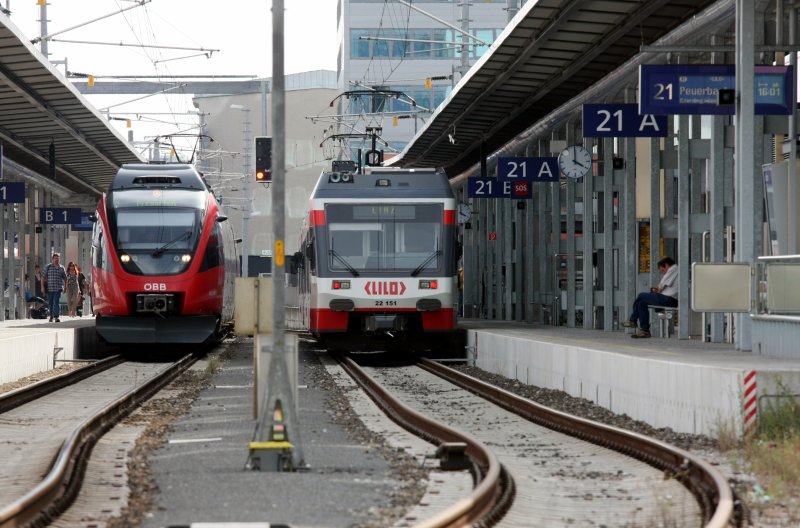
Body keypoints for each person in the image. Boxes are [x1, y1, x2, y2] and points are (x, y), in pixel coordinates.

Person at [623, 256, 678, 339]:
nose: (663, 273)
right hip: (666, 298)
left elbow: (660, 286)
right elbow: (661, 288)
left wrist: (658, 289)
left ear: (666, 265)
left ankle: (632, 320)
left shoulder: (673, 269)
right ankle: (644, 330)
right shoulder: (674, 270)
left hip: (669, 299)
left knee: (641, 295)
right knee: (641, 303)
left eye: (663, 270)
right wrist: (657, 290)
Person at [42, 253, 67, 323]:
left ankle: (56, 317)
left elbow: (65, 278)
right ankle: (51, 316)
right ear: (52, 259)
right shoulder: (48, 267)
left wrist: (65, 287)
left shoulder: (61, 268)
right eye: (55, 259)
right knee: (50, 303)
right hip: (49, 288)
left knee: (56, 302)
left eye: (58, 259)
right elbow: (42, 277)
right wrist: (42, 287)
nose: (57, 260)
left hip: (58, 288)